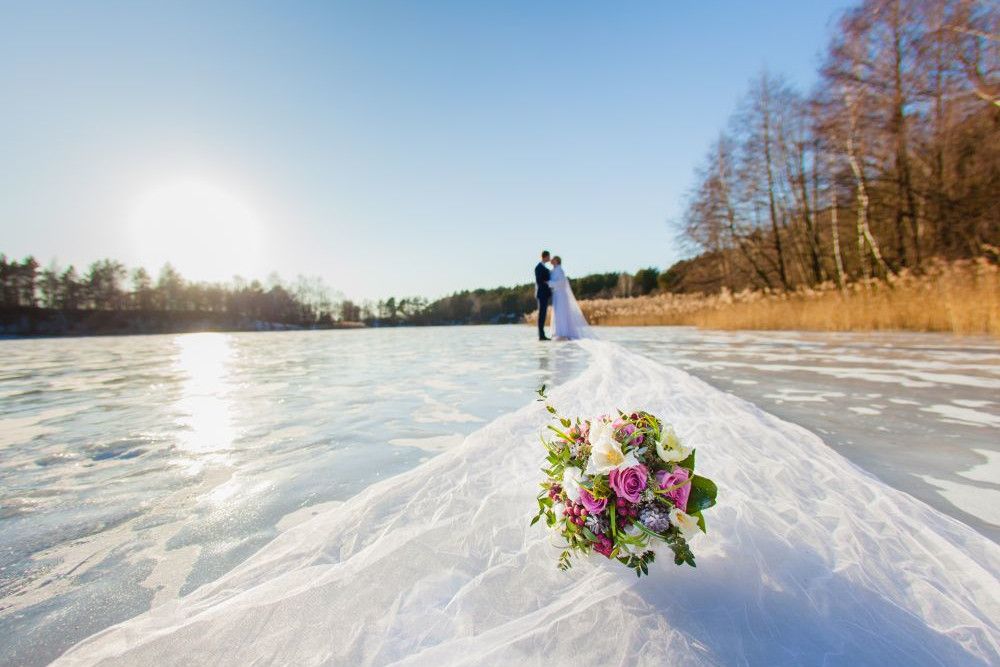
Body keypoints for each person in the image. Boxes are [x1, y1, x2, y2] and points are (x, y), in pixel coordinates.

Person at [547, 255, 591, 340]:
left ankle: (563, 331)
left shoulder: (560, 270)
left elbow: (561, 282)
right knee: (557, 312)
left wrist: (549, 283)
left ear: (557, 261)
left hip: (561, 295)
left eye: (553, 260)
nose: (551, 261)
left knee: (561, 312)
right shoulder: (553, 271)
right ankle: (558, 331)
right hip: (556, 294)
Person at [534, 251, 552, 341]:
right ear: (545, 256)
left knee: (543, 314)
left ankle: (542, 334)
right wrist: (548, 284)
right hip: (542, 294)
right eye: (549, 256)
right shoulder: (538, 267)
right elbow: (539, 281)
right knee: (542, 314)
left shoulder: (544, 267)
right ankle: (541, 335)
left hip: (544, 294)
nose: (550, 258)